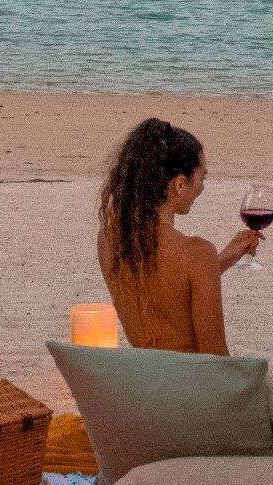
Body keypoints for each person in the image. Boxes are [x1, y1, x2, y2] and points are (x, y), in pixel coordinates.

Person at [95, 116, 262, 353]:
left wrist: (221, 261)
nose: (202, 187)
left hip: (148, 378)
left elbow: (163, 290)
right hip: (189, 383)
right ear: (180, 184)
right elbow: (214, 359)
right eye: (202, 177)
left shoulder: (110, 238)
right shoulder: (197, 253)